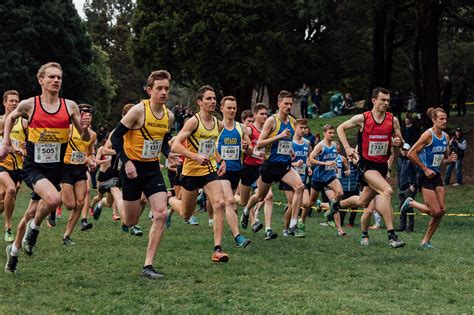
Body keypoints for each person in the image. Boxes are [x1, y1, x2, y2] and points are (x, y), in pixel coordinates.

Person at [3, 62, 90, 274]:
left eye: (59, 77)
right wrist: (6, 141)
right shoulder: (29, 105)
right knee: (53, 200)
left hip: (56, 169)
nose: (56, 80)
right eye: (51, 77)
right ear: (40, 80)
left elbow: (84, 136)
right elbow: (10, 119)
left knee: (31, 211)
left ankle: (13, 251)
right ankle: (34, 229)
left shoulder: (69, 106)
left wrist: (85, 130)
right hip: (34, 168)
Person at [110, 70, 175, 279]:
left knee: (161, 213)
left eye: (166, 88)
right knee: (130, 221)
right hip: (132, 169)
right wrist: (126, 161)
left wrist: (169, 155)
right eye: (159, 88)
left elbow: (163, 141)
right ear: (149, 90)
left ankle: (148, 265)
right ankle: (115, 192)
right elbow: (116, 137)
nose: (163, 92)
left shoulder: (169, 116)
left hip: (153, 169)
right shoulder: (138, 111)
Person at [334, 87, 405, 248]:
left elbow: (400, 138)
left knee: (362, 201)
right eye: (383, 100)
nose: (386, 103)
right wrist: (347, 148)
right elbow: (340, 128)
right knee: (387, 191)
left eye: (388, 100)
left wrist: (397, 141)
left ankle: (336, 205)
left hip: (381, 167)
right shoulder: (363, 118)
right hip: (366, 165)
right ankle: (392, 236)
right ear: (374, 100)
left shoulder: (392, 120)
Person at [171, 85, 229, 263]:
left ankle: (217, 250)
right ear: (199, 102)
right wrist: (194, 157)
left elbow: (211, 147)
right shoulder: (193, 122)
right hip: (191, 172)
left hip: (209, 170)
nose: (213, 102)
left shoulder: (218, 124)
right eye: (208, 99)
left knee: (220, 204)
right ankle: (170, 200)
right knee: (186, 214)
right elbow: (175, 145)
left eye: (214, 99)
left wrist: (221, 160)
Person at [241, 90, 305, 237]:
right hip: (270, 166)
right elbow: (260, 144)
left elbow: (286, 143)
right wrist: (279, 136)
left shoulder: (292, 121)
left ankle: (293, 224)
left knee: (300, 187)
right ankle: (246, 211)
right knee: (260, 197)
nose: (289, 106)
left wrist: (291, 151)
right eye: (286, 103)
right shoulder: (272, 121)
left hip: (285, 166)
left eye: (291, 103)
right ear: (279, 104)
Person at [404, 107, 457, 249]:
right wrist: (425, 169)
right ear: (434, 120)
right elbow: (411, 153)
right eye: (441, 119)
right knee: (435, 211)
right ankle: (411, 203)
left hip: (436, 175)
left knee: (441, 210)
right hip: (424, 175)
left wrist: (450, 159)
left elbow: (442, 160)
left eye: (445, 118)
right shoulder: (427, 135)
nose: (444, 121)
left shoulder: (445, 137)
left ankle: (425, 241)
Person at [214, 96, 252, 245]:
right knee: (229, 201)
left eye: (234, 108)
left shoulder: (242, 128)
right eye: (229, 108)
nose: (231, 111)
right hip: (221, 170)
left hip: (237, 170)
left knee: (236, 202)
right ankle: (238, 237)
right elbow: (208, 145)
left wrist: (246, 147)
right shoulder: (217, 127)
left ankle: (228, 223)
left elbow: (250, 150)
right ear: (222, 108)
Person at [60, 104, 97, 245]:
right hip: (66, 169)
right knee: (70, 205)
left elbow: (88, 153)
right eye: (83, 114)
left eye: (89, 115)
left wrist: (91, 161)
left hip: (80, 169)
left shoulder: (92, 135)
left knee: (80, 202)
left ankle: (66, 236)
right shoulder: (69, 129)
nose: (86, 117)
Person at [237, 103, 274, 236]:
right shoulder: (249, 130)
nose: (265, 116)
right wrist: (247, 148)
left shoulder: (268, 130)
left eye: (266, 114)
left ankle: (268, 229)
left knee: (268, 196)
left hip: (262, 168)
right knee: (242, 200)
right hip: (248, 167)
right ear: (255, 115)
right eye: (262, 114)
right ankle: (245, 210)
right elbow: (243, 146)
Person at [306, 125, 346, 237]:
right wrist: (325, 164)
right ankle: (300, 221)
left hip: (330, 177)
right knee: (310, 202)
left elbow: (332, 159)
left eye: (333, 133)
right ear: (324, 133)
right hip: (318, 178)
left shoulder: (334, 145)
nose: (332, 135)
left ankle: (339, 229)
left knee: (339, 196)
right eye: (330, 132)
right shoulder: (320, 146)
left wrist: (335, 167)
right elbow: (311, 159)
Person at [0, 90, 27, 242]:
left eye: (17, 101)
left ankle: (4, 212)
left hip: (18, 167)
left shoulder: (23, 123)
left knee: (5, 200)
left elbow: (33, 142)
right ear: (4, 103)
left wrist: (26, 147)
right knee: (10, 188)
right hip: (2, 164)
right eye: (11, 101)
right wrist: (11, 148)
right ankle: (8, 227)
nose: (14, 103)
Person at [281, 119, 311, 236]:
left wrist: (308, 166)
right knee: (291, 204)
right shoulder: (289, 142)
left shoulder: (307, 143)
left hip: (302, 177)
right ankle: (286, 228)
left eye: (304, 128)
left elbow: (308, 156)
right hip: (289, 176)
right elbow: (283, 161)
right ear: (295, 128)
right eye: (300, 128)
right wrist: (294, 164)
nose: (303, 130)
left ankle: (295, 224)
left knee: (305, 203)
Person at [395, 143, 417, 232]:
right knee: (401, 207)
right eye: (402, 149)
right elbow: (399, 173)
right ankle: (402, 226)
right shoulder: (399, 159)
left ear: (409, 150)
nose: (404, 151)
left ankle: (410, 227)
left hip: (409, 187)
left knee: (409, 207)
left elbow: (417, 173)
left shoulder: (412, 159)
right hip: (400, 186)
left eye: (405, 149)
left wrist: (414, 184)